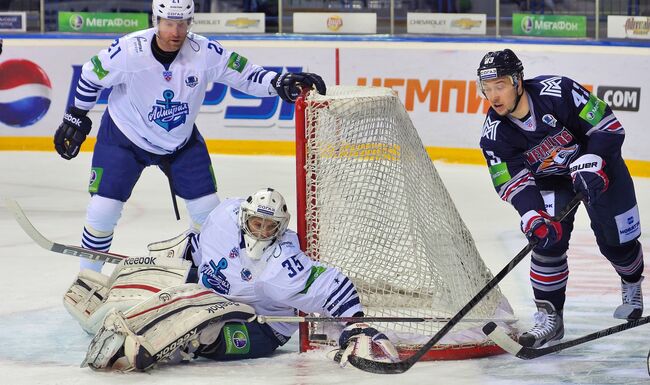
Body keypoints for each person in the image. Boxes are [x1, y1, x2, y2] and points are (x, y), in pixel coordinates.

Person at [53, 0, 326, 273]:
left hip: (180, 143)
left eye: (182, 24)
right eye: (169, 23)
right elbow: (91, 75)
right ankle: (87, 278)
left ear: (190, 22)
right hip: (125, 138)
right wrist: (76, 117)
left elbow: (246, 75)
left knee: (209, 214)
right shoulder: (128, 50)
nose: (175, 32)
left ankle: (201, 272)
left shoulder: (205, 52)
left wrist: (278, 82)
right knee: (103, 210)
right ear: (155, 20)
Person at [63, 188, 399, 371]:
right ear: (244, 219)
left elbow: (331, 285)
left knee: (201, 332)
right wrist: (174, 264)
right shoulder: (224, 217)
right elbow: (197, 244)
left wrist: (357, 326)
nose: (263, 232)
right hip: (212, 293)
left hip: (262, 326)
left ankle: (158, 347)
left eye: (271, 227)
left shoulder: (280, 268)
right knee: (160, 286)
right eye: (257, 224)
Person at [476, 49, 644, 348]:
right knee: (546, 241)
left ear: (517, 81)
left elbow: (607, 126)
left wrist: (593, 160)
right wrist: (532, 215)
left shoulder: (560, 91)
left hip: (600, 167)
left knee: (617, 243)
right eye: (487, 88)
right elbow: (512, 182)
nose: (493, 95)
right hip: (550, 180)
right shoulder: (494, 134)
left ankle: (631, 282)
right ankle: (550, 319)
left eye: (499, 85)